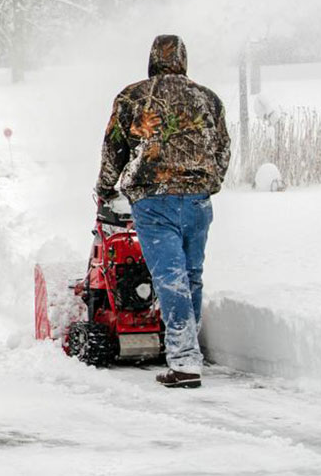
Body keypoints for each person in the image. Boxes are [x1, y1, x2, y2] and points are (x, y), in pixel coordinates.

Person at [96, 35, 230, 389]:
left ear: (152, 59)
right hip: (198, 200)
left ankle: (185, 361)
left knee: (170, 277)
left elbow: (114, 149)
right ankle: (187, 350)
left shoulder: (132, 97)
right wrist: (208, 182)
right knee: (192, 274)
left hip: (154, 201)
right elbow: (223, 148)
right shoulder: (208, 99)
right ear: (184, 60)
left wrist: (105, 188)